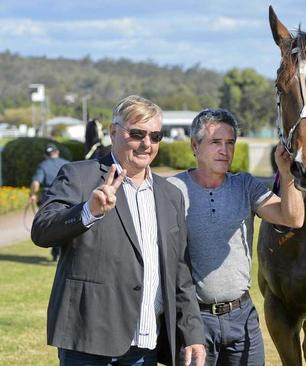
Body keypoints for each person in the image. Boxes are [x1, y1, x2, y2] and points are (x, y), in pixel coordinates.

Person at [31, 95, 206, 366]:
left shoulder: (171, 195)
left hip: (145, 344)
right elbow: (42, 231)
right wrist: (88, 211)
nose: (147, 144)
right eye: (137, 134)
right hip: (88, 342)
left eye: (155, 136)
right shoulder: (79, 176)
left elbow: (180, 272)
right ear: (114, 132)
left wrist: (193, 333)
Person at [168, 108, 304, 366]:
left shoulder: (245, 185)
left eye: (230, 143)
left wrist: (287, 175)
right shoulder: (173, 189)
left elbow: (293, 218)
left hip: (242, 318)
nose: (225, 150)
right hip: (194, 320)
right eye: (215, 142)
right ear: (194, 146)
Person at [29, 143, 69, 261]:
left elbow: (36, 183)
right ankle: (60, 251)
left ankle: (56, 252)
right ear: (57, 152)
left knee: (53, 225)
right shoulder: (66, 163)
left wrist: (32, 195)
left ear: (45, 155)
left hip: (49, 199)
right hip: (67, 196)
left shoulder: (43, 165)